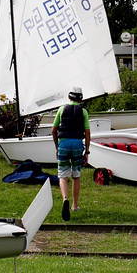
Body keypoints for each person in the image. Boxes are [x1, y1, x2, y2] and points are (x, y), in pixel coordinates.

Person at [52, 87, 91, 221]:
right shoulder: (84, 112)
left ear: (69, 97)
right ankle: (75, 205)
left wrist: (57, 146)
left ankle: (65, 200)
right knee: (76, 176)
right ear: (80, 99)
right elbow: (87, 133)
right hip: (77, 145)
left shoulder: (61, 109)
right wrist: (87, 150)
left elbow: (53, 130)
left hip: (63, 144)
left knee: (63, 176)